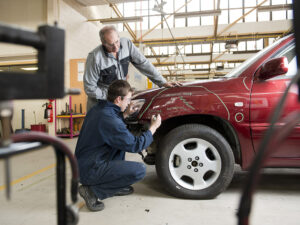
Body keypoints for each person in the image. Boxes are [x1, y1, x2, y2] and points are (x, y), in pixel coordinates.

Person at [75, 80, 161, 211]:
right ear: (118, 99)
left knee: (119, 145)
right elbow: (135, 145)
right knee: (139, 170)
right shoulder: (109, 119)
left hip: (85, 162)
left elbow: (113, 126)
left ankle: (114, 185)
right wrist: (153, 128)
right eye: (128, 99)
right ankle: (92, 191)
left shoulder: (100, 108)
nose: (129, 103)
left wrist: (126, 114)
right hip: (90, 169)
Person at [84, 25, 181, 111]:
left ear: (119, 36)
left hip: (119, 102)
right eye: (111, 45)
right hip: (100, 105)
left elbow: (143, 63)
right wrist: (112, 97)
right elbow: (90, 88)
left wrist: (162, 82)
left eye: (117, 42)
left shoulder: (127, 44)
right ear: (103, 43)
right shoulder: (95, 57)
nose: (116, 48)